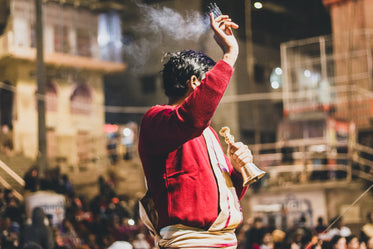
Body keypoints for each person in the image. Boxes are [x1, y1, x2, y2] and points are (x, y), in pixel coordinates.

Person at [138, 11, 254, 249]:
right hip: (190, 242)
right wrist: (230, 55)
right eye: (210, 80)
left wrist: (240, 170)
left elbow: (222, 200)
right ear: (195, 83)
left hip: (223, 240)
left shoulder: (206, 132)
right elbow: (191, 119)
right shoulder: (158, 119)